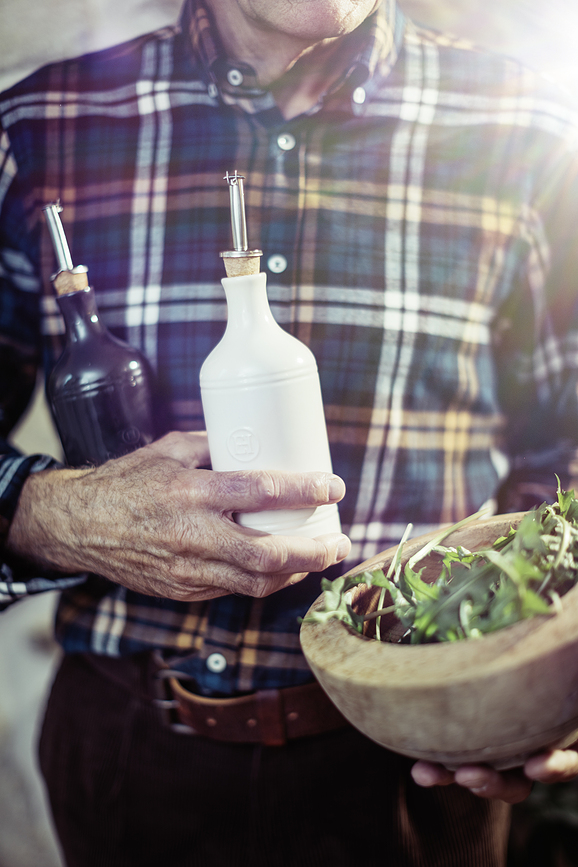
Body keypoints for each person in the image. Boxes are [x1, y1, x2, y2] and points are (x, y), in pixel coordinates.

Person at [2, 0, 578, 864]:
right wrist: (59, 514)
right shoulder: (38, 128)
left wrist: (536, 674)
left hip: (423, 756)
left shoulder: (529, 132)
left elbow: (564, 453)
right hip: (132, 756)